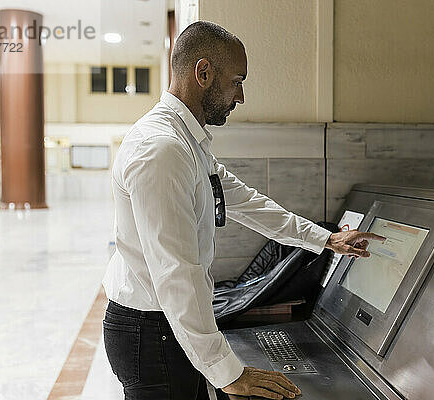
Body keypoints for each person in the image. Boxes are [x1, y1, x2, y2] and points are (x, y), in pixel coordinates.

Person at [102, 20, 385, 400]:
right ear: (203, 73)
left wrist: (327, 239)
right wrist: (228, 372)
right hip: (152, 333)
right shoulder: (161, 149)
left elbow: (247, 203)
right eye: (237, 81)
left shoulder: (187, 143)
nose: (241, 96)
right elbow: (176, 274)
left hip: (168, 327)